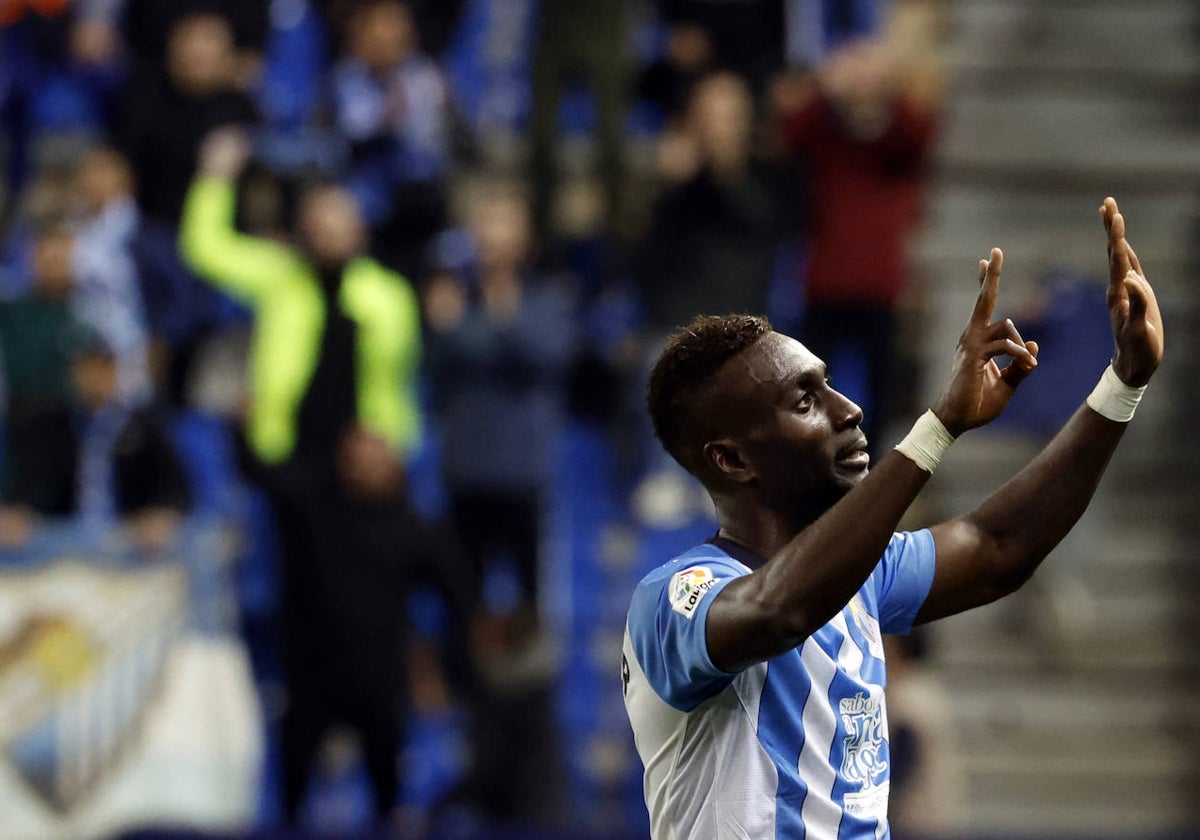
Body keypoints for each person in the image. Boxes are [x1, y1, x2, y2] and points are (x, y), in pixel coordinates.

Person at [622, 197, 1163, 837]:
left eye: (828, 383)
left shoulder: (865, 576)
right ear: (732, 459)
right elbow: (779, 610)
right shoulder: (674, 601)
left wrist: (1123, 383)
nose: (847, 409)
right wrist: (935, 431)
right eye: (805, 400)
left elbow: (997, 546)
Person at [180, 127, 470, 827]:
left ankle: (390, 792)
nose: (328, 232)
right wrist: (216, 177)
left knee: (373, 620)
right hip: (293, 475)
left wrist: (388, 454)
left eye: (340, 221)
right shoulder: (280, 280)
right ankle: (290, 792)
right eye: (317, 222)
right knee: (298, 616)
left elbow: (396, 388)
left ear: (359, 230)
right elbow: (206, 250)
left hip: (363, 481)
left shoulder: (385, 297)